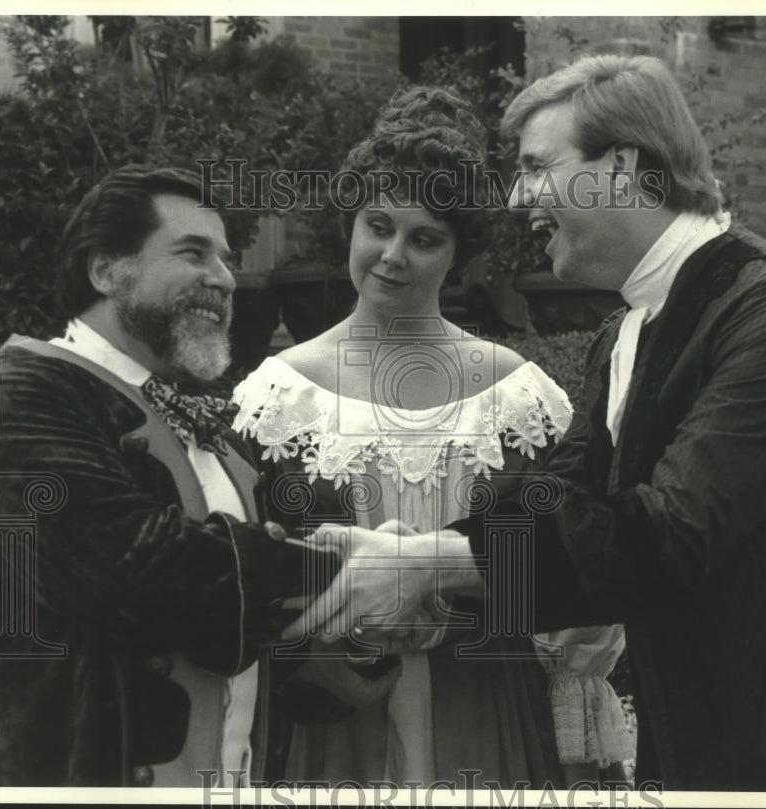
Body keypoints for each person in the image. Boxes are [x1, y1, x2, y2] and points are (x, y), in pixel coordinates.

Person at [290, 55, 766, 792]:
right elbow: (561, 507)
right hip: (698, 734)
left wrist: (430, 565)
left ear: (620, 167)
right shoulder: (625, 333)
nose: (519, 196)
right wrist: (407, 547)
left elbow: (671, 530)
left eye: (538, 167)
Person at [231, 86, 632, 788]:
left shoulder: (518, 397)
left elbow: (577, 558)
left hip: (489, 714)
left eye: (424, 238)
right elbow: (245, 571)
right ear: (349, 226)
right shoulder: (274, 395)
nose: (393, 255)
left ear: (459, 255)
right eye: (378, 226)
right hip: (333, 725)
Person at [0, 165, 340, 787]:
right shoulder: (13, 394)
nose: (225, 279)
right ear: (105, 270)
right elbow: (138, 572)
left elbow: (237, 631)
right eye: (193, 253)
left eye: (226, 260)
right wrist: (346, 568)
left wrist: (362, 632)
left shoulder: (209, 429)